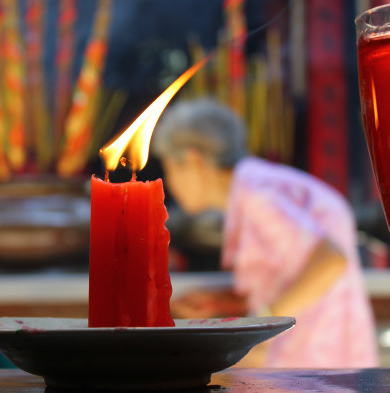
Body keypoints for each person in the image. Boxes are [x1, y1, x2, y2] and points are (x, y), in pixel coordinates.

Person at [152, 98, 378, 368]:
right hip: (321, 362)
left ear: (193, 161)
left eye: (169, 169)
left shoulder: (255, 194)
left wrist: (262, 322)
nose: (170, 182)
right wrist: (223, 301)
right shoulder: (257, 185)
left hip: (316, 365)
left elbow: (331, 260)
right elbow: (290, 270)